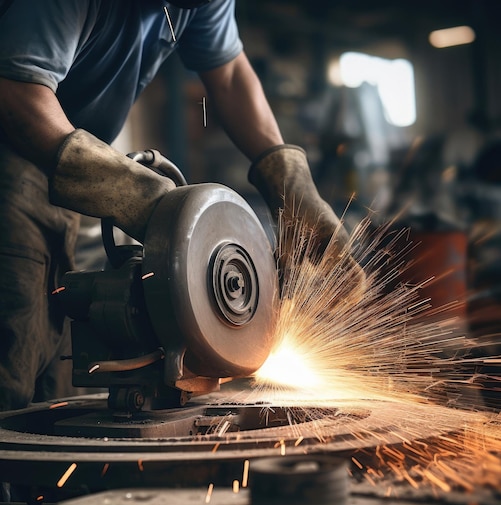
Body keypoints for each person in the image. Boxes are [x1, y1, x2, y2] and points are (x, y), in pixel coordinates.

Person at [0, 0, 357, 412]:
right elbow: (16, 93)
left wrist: (290, 184)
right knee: (13, 360)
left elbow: (229, 74)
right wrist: (143, 199)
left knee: (56, 376)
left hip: (63, 168)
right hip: (14, 149)